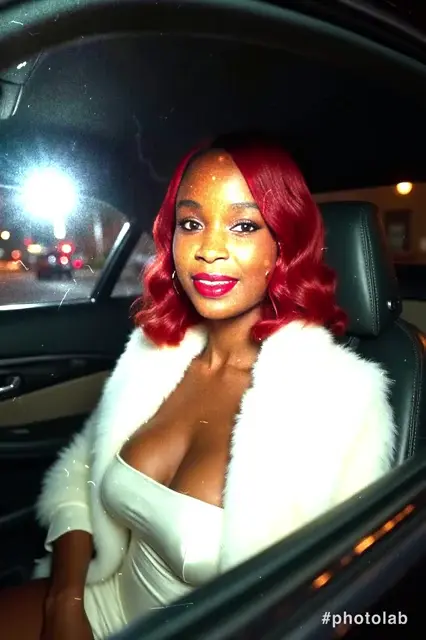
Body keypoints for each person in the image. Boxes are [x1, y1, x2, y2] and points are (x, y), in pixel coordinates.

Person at [0, 133, 396, 639]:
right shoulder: (154, 352)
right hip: (97, 598)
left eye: (244, 225)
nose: (208, 250)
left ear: (284, 245)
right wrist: (64, 602)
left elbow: (337, 601)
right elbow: (80, 468)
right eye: (191, 224)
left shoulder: (340, 401)